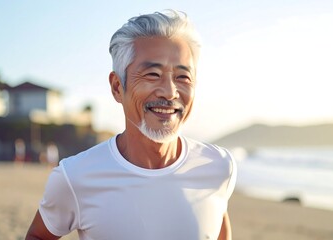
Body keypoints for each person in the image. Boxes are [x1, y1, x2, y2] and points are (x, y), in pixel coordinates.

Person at [26, 10, 236, 240]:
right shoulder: (75, 176)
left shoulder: (219, 167)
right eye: (152, 74)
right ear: (117, 87)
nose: (169, 92)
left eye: (182, 77)